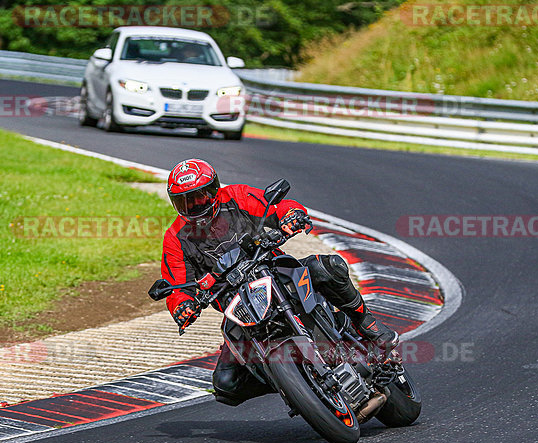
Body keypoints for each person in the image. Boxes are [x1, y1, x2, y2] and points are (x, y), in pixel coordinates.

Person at [161, 158, 399, 406]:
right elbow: (177, 285)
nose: (194, 205)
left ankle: (364, 321)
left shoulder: (237, 197)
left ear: (215, 190)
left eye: (200, 196)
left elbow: (275, 206)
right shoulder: (175, 238)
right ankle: (293, 384)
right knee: (226, 385)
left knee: (325, 267)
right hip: (238, 307)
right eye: (185, 201)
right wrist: (182, 305)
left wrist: (291, 216)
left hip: (274, 273)